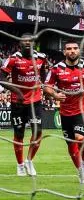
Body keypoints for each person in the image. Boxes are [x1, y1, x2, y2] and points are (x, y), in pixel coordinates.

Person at [43, 42, 84, 184]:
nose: (72, 51)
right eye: (69, 49)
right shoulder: (56, 69)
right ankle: (80, 171)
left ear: (79, 51)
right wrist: (54, 95)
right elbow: (46, 87)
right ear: (64, 52)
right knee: (71, 144)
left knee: (80, 138)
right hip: (66, 111)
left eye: (75, 48)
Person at [1, 34, 48, 176]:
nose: (27, 43)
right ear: (20, 44)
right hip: (18, 102)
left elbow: (44, 73)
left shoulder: (41, 58)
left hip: (35, 100)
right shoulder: (13, 59)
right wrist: (18, 92)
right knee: (19, 135)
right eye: (24, 41)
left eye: (30, 41)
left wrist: (44, 86)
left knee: (38, 132)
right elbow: (1, 77)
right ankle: (20, 165)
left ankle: (29, 161)